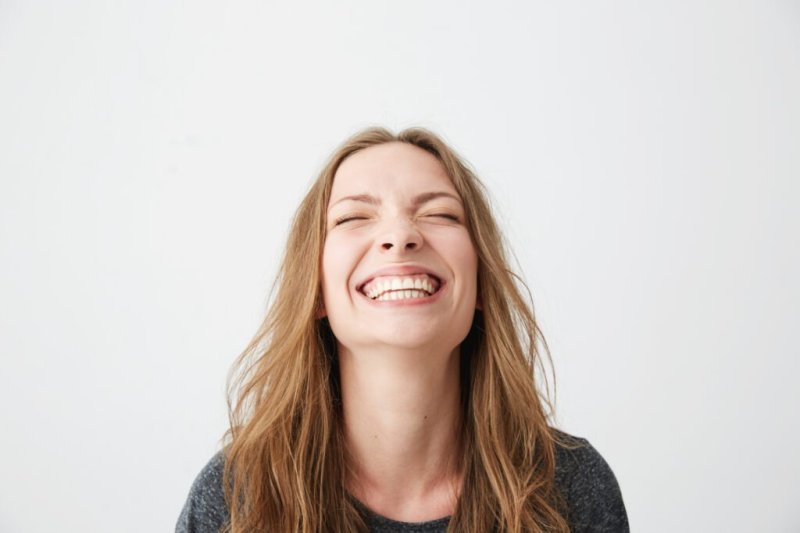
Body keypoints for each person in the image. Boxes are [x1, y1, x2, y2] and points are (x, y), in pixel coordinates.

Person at [176, 127, 629, 532]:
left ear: (480, 286)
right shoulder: (236, 498)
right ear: (314, 292)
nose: (400, 235)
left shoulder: (570, 488)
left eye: (441, 214)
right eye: (354, 217)